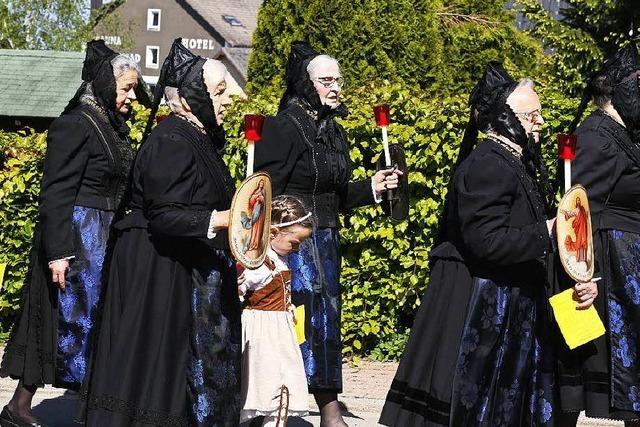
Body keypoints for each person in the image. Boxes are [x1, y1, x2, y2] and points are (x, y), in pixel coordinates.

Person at [379, 63, 598, 426]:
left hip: (513, 301)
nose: (540, 122)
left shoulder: (516, 163)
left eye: (539, 114)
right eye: (532, 115)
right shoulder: (487, 164)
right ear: (503, 118)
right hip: (484, 304)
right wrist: (549, 230)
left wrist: (576, 272)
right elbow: (487, 242)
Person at [82, 39, 240, 426]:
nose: (228, 100)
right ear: (188, 99)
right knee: (151, 368)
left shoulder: (198, 138)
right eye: (219, 92)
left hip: (174, 264)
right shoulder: (171, 141)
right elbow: (165, 216)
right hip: (153, 270)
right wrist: (221, 220)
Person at [254, 41, 401, 427]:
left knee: (326, 324)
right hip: (293, 245)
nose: (336, 87)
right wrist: (269, 241)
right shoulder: (285, 126)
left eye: (338, 80)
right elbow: (264, 189)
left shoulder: (335, 131)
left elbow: (336, 195)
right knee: (297, 320)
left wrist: (372, 187)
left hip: (327, 242)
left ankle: (326, 407)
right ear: (307, 83)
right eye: (326, 80)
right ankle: (286, 402)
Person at [0, 40, 146, 426]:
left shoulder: (111, 128)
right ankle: (55, 410)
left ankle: (21, 408)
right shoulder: (76, 124)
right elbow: (56, 192)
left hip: (102, 238)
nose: (132, 96)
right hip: (76, 239)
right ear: (104, 83)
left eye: (133, 88)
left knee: (88, 324)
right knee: (67, 324)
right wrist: (58, 252)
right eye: (126, 88)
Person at [555, 44, 640, 426]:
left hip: (627, 263)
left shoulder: (620, 133)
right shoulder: (596, 135)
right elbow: (576, 209)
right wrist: (583, 273)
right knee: (591, 372)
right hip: (609, 266)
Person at [238, 195, 313, 427]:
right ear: (272, 234)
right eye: (294, 242)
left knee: (278, 384)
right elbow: (242, 288)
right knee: (276, 384)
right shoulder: (260, 263)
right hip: (265, 335)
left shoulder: (277, 261)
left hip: (279, 331)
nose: (296, 248)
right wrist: (239, 281)